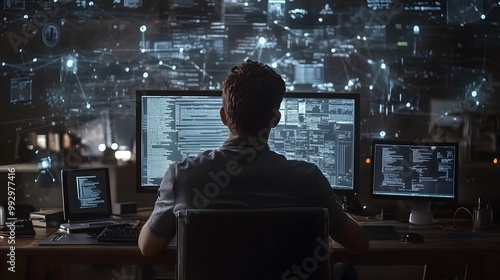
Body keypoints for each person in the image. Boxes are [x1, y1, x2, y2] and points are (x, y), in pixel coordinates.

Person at [138, 60, 369, 276]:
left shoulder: (182, 176)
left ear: (223, 117)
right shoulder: (309, 179)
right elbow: (359, 244)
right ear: (275, 120)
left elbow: (147, 248)